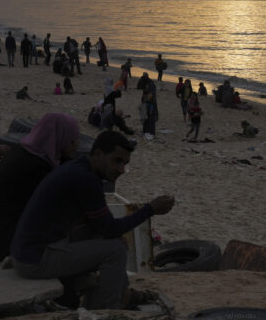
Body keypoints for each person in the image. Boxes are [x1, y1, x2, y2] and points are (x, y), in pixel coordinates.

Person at [11, 130, 174, 309]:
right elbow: (110, 228)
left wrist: (111, 233)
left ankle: (121, 294)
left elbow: (102, 226)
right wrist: (149, 209)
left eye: (124, 163)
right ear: (97, 154)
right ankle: (105, 309)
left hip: (30, 251)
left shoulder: (80, 169)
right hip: (35, 259)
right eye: (117, 161)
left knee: (110, 240)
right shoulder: (85, 179)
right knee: (115, 250)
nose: (121, 170)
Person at [0, 113, 80, 262]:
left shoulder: (25, 152)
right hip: (3, 244)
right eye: (72, 140)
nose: (75, 144)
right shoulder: (35, 167)